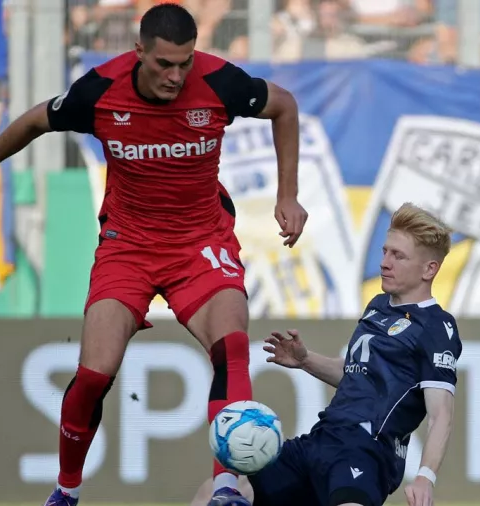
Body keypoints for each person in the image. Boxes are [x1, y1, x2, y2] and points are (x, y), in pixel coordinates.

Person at [0, 4, 307, 506]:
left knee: (231, 344)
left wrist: (286, 194)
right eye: (164, 64)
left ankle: (226, 486)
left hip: (200, 242)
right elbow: (32, 122)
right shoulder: (99, 90)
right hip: (128, 247)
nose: (176, 76)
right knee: (94, 374)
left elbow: (284, 106)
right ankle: (66, 491)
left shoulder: (220, 82)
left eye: (184, 63)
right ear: (139, 52)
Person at [193, 202, 462, 506]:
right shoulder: (378, 305)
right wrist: (305, 359)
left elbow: (441, 414)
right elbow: (355, 375)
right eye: (385, 251)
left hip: (366, 453)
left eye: (398, 256)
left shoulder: (437, 327)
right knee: (216, 493)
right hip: (320, 440)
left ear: (430, 269)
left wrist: (426, 476)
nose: (385, 262)